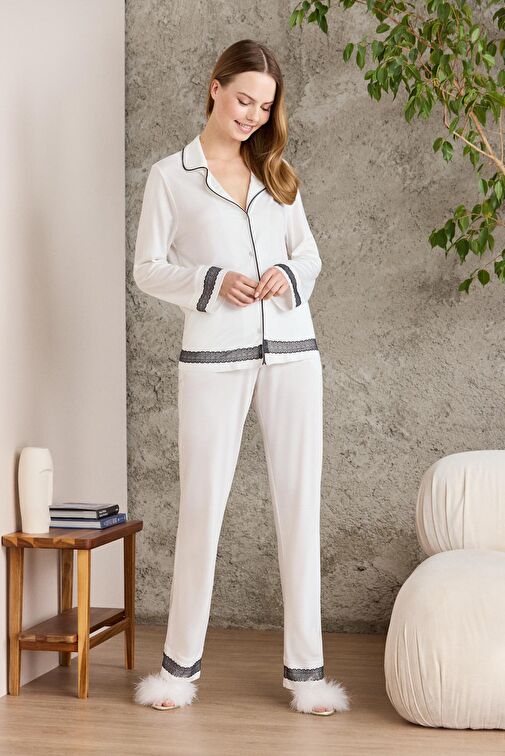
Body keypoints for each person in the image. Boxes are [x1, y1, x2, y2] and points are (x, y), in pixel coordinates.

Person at [132, 38, 350, 717]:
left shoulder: (277, 174)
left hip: (292, 353)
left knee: (299, 507)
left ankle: (308, 675)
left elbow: (309, 255)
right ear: (215, 87)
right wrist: (211, 281)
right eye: (243, 99)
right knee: (202, 507)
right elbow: (146, 269)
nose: (252, 115)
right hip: (213, 358)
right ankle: (176, 672)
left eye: (264, 106)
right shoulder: (170, 177)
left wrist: (284, 274)